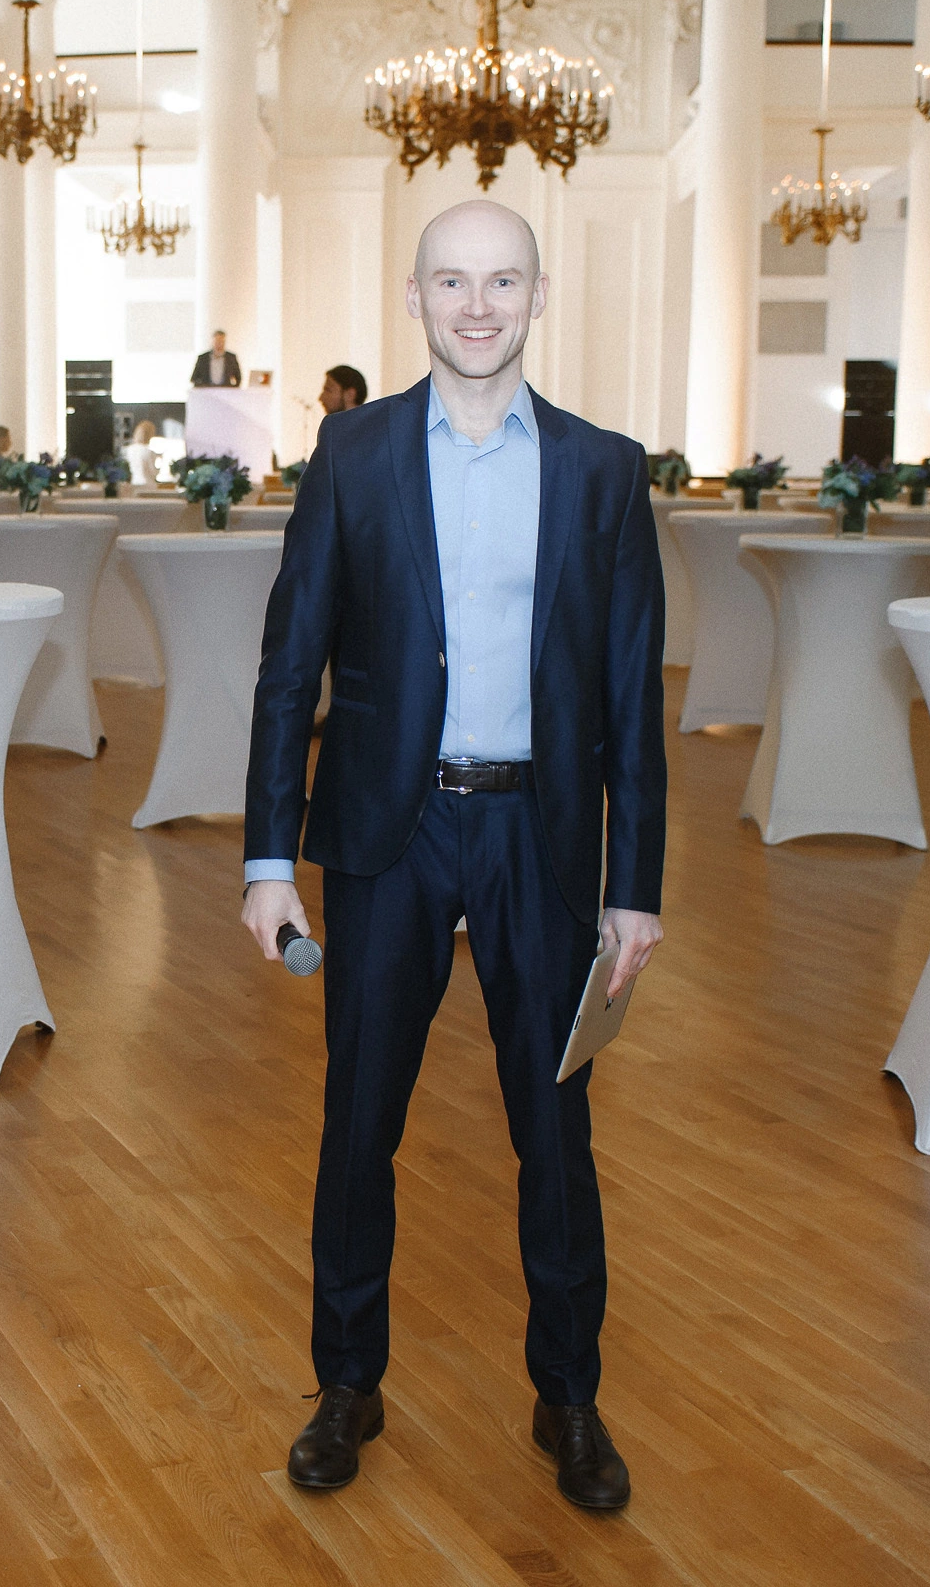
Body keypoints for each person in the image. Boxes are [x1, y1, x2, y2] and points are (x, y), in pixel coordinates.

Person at [241, 200, 666, 1511]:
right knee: (358, 1123)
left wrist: (635, 887)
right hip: (391, 834)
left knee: (557, 1130)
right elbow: (290, 667)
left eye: (502, 281)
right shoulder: (352, 454)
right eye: (451, 282)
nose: (477, 305)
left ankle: (570, 1397)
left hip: (542, 837)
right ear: (415, 297)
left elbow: (633, 694)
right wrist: (267, 860)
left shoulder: (604, 470)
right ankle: (346, 1384)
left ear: (537, 296)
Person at [124, 419, 160, 488]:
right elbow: (153, 471)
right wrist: (159, 469)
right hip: (149, 485)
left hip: (135, 483)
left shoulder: (129, 450)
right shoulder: (149, 451)